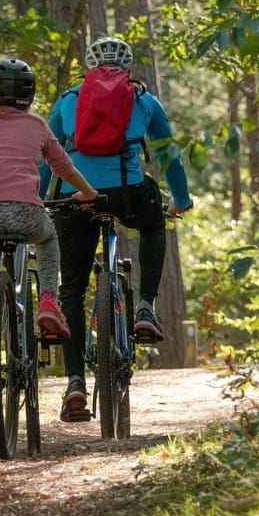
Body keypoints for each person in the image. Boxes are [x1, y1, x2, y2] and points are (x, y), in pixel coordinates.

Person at [40, 37, 193, 422]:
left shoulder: (68, 100)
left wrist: (41, 198)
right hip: (129, 195)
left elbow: (46, 156)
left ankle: (75, 382)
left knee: (71, 288)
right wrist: (181, 198)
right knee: (154, 224)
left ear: (90, 66)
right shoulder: (144, 100)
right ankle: (144, 307)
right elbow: (168, 155)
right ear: (127, 66)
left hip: (77, 198)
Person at [0, 58, 98, 429]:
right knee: (48, 239)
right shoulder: (37, 125)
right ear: (29, 95)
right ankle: (47, 300)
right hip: (29, 214)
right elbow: (63, 167)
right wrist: (88, 193)